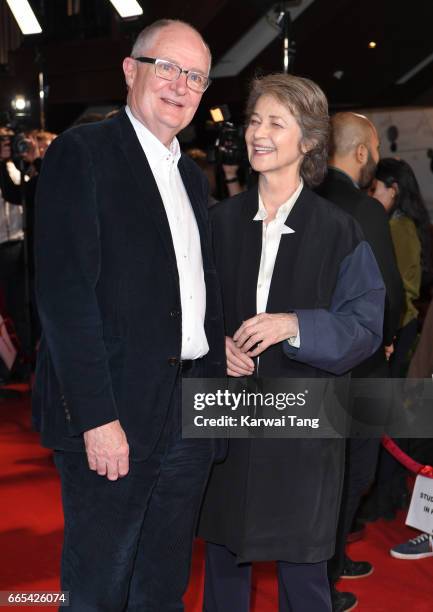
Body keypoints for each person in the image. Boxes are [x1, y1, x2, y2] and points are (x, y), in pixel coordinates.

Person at [33, 19, 225, 611]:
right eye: (167, 67)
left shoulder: (190, 176)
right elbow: (66, 298)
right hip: (114, 413)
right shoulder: (83, 152)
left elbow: (193, 287)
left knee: (164, 583)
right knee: (99, 585)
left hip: (187, 408)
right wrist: (96, 418)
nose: (180, 85)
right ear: (130, 69)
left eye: (195, 76)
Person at [198, 73, 386, 612]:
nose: (258, 133)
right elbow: (190, 313)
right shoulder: (219, 222)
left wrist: (293, 325)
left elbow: (365, 328)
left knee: (304, 578)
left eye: (276, 123)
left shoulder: (339, 231)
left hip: (304, 429)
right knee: (222, 568)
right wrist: (217, 347)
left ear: (308, 142)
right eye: (255, 120)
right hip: (228, 421)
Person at [317, 112, 404, 611]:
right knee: (353, 474)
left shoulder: (304, 198)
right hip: (362, 362)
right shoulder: (365, 209)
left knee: (328, 474)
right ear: (363, 152)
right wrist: (388, 336)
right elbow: (387, 290)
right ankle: (324, 582)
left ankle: (331, 564)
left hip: (311, 355)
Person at [373, 157, 431, 376]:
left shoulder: (400, 227)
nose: (372, 195)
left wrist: (388, 330)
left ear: (393, 189)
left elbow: (404, 287)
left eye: (375, 188)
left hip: (400, 325)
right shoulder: (397, 223)